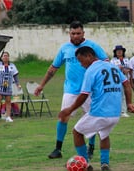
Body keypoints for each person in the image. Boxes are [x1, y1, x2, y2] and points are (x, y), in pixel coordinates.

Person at [34, 21, 108, 159]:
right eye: (73, 33)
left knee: (92, 118)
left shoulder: (92, 46)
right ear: (69, 33)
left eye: (78, 33)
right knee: (63, 116)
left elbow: (106, 63)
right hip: (70, 90)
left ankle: (91, 148)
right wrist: (42, 85)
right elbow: (53, 69)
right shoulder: (64, 49)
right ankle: (58, 149)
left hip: (90, 90)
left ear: (83, 33)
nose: (75, 36)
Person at [58, 46, 134, 171]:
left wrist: (70, 109)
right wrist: (129, 103)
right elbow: (126, 84)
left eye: (80, 60)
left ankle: (85, 163)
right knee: (104, 134)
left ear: (89, 56)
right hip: (115, 114)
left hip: (99, 112)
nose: (80, 64)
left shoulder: (91, 71)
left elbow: (83, 95)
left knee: (77, 132)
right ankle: (105, 163)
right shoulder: (112, 66)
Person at [0, 51, 21, 123]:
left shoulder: (12, 66)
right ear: (1, 57)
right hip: (0, 86)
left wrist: (18, 84)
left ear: (8, 57)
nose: (5, 57)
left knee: (8, 101)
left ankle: (8, 116)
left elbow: (15, 76)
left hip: (8, 86)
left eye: (7, 56)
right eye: (4, 56)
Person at [110, 45, 133, 117]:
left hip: (126, 79)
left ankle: (124, 110)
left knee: (126, 95)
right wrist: (119, 69)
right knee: (118, 95)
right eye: (118, 51)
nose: (119, 52)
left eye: (120, 50)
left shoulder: (126, 59)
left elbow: (130, 69)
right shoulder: (113, 60)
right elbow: (111, 70)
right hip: (117, 80)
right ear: (115, 52)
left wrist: (127, 71)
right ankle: (118, 111)